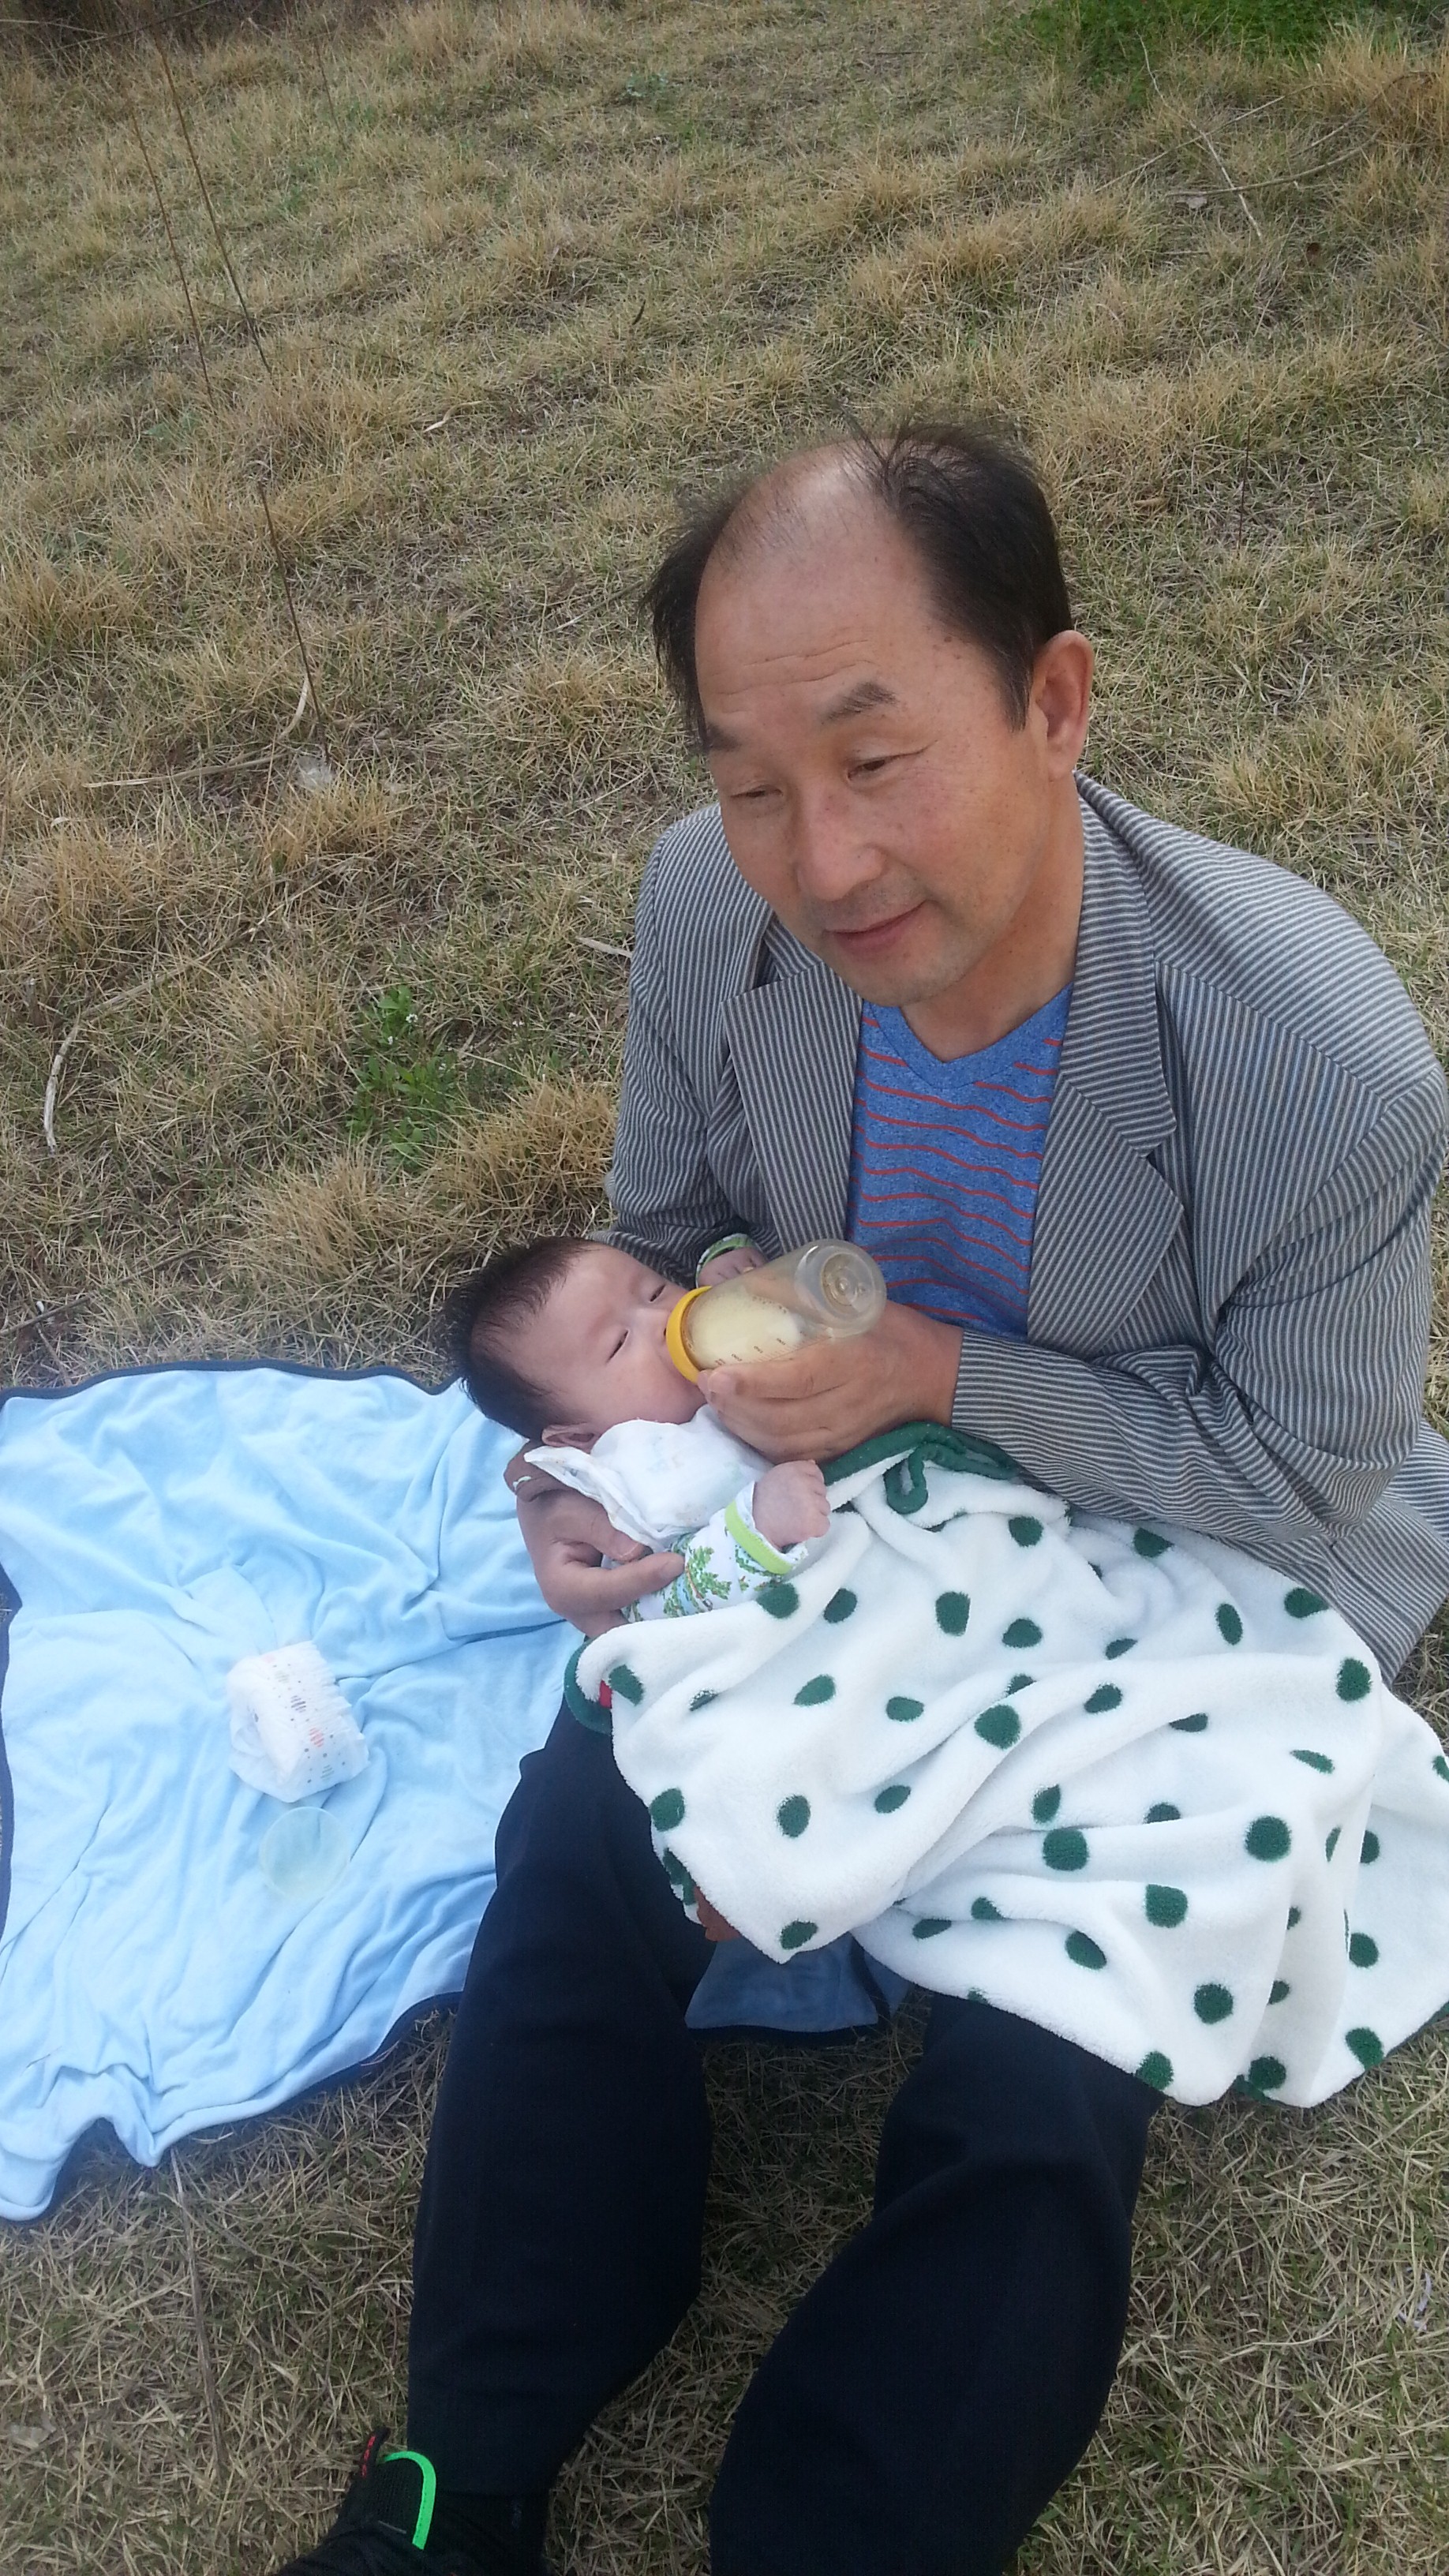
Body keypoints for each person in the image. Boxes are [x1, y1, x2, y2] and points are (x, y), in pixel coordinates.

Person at [276, 421, 1449, 2576]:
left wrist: (935, 1371)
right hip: (815, 1515)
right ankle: (462, 2472)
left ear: (1054, 700)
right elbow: (665, 1233)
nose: (814, 862)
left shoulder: (1314, 1062)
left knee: (1047, 2061)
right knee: (585, 1834)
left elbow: (1292, 1476)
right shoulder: (700, 904)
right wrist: (580, 1483)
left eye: (874, 757)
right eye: (749, 781)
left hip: (1161, 1575)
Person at [451, 1234, 832, 1619]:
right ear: (579, 1436)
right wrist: (758, 1528)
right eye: (619, 1343)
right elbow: (652, 1602)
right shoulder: (632, 1482)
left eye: (655, 1292)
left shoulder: (734, 1348)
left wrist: (731, 1265)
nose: (663, 1318)